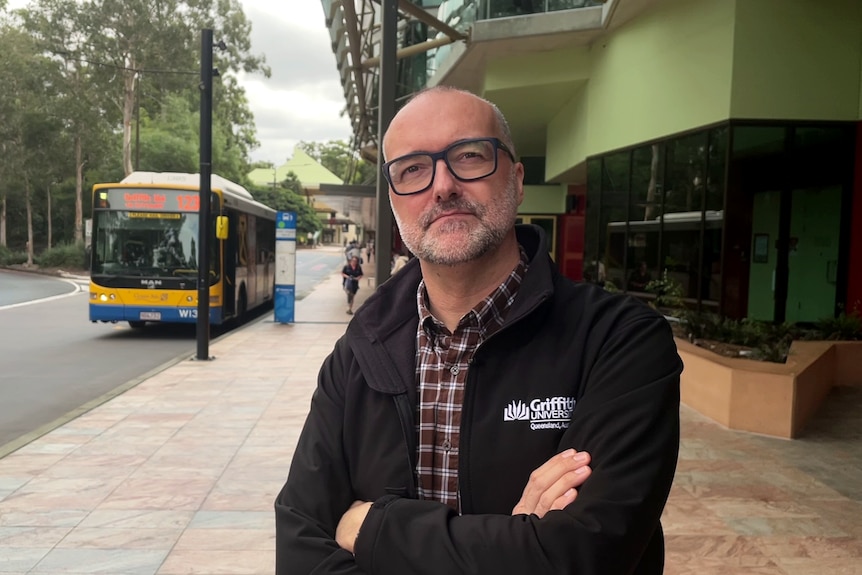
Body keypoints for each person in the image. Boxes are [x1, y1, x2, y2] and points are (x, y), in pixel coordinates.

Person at [275, 86, 682, 574]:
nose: (442, 185)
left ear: (516, 177)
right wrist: (517, 544)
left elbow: (582, 557)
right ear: (392, 201)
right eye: (413, 169)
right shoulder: (359, 353)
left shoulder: (620, 343)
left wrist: (374, 530)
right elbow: (299, 549)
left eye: (468, 156)